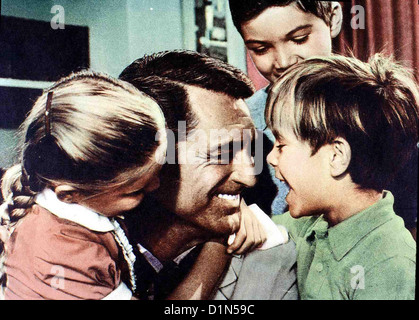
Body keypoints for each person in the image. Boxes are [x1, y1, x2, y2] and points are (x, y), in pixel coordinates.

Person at [229, 0, 417, 238]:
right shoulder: (241, 126)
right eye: (261, 49)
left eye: (299, 39)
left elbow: (408, 226)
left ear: (334, 19)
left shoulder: (383, 110)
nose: (285, 61)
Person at [119, 50, 298, 300]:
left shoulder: (270, 259)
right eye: (223, 153)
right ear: (152, 158)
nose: (249, 177)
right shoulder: (79, 237)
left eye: (251, 149)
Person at [0, 70, 168, 300]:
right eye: (136, 190)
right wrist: (216, 245)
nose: (156, 186)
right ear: (70, 195)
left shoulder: (71, 205)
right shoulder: (65, 252)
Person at [266, 53, 417, 299]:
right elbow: (258, 229)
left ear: (336, 157)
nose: (271, 158)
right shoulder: (311, 224)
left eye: (281, 145)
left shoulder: (390, 263)